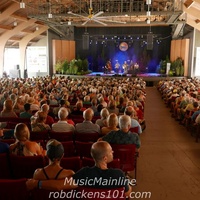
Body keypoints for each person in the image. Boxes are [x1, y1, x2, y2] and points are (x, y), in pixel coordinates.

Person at [26, 141, 132, 198]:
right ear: (105, 158)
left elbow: (59, 185)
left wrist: (37, 183)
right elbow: (127, 193)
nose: (113, 152)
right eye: (111, 151)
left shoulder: (84, 173)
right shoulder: (118, 174)